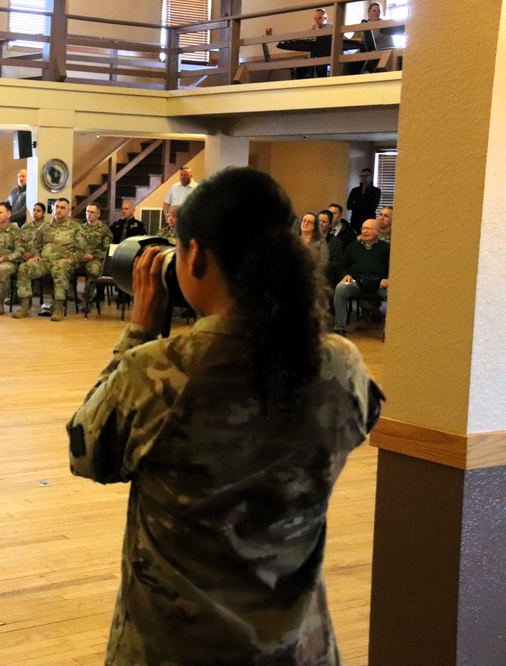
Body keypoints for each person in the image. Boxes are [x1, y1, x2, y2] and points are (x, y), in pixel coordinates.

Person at [67, 166, 382, 665]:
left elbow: (89, 453)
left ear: (192, 256)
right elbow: (364, 418)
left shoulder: (158, 372)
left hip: (173, 648)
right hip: (296, 647)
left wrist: (138, 333)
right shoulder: (339, 365)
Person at [13, 197, 81, 321]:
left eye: (62, 208)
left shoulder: (76, 227)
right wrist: (36, 255)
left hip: (62, 262)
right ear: (53, 209)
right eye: (57, 207)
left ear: (68, 210)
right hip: (44, 262)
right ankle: (25, 306)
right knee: (24, 267)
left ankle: (58, 308)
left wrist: (70, 260)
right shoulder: (45, 227)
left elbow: (81, 251)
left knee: (60, 269)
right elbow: (35, 244)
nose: (59, 210)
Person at [332, 218, 390, 335]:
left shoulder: (386, 248)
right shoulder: (352, 247)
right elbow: (341, 266)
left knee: (394, 293)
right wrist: (345, 275)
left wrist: (389, 279)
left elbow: (394, 267)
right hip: (356, 282)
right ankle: (339, 328)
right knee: (340, 288)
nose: (364, 231)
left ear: (377, 231)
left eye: (368, 228)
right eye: (363, 228)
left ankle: (388, 331)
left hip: (380, 284)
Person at [78, 203, 113, 310]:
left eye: (92, 212)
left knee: (94, 271)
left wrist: (92, 256)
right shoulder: (80, 229)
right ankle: (68, 297)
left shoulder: (104, 230)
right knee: (63, 266)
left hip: (95, 259)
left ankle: (86, 299)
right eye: (87, 211)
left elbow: (107, 251)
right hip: (79, 258)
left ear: (98, 214)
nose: (89, 214)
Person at [346, 168, 381, 233]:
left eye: (366, 176)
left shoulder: (376, 191)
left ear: (370, 177)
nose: (363, 178)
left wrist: (356, 204)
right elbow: (349, 206)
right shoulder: (355, 190)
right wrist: (363, 204)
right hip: (355, 221)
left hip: (368, 220)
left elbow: (372, 206)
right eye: (361, 176)